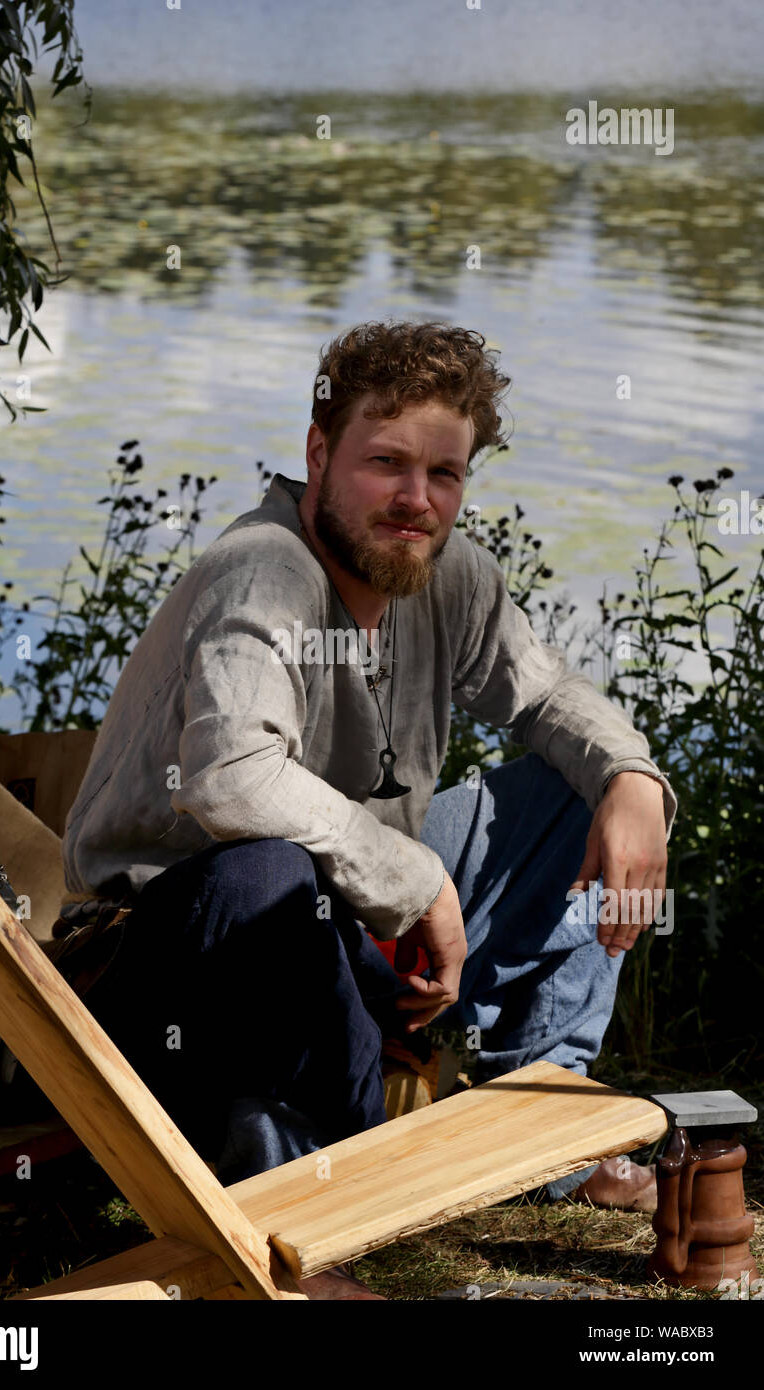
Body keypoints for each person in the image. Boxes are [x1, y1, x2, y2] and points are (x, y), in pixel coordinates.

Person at [62, 321, 677, 1300]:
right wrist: (414, 877)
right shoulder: (261, 572)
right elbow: (228, 777)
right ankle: (299, 1225)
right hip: (178, 951)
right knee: (273, 875)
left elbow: (551, 698)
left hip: (353, 916)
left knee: (577, 786)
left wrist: (633, 778)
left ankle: (546, 1126)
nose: (415, 499)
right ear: (318, 454)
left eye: (445, 472)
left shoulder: (449, 576)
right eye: (385, 462)